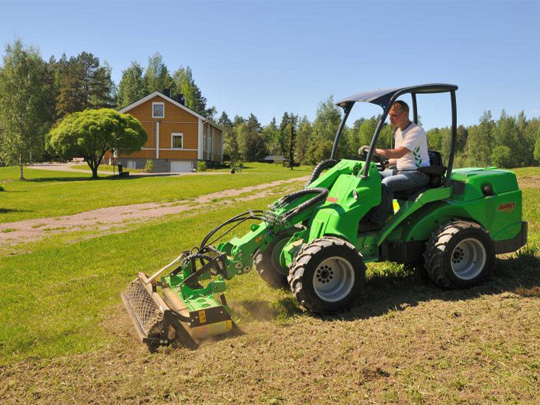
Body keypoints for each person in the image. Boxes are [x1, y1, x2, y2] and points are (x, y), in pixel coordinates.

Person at [360, 100, 430, 231]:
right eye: (389, 115)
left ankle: (377, 222)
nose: (390, 119)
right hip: (401, 171)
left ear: (405, 115)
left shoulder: (416, 131)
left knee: (387, 184)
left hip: (418, 174)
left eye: (394, 116)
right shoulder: (398, 132)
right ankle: (382, 215)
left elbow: (399, 153)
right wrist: (383, 162)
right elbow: (398, 158)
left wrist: (374, 151)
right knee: (371, 176)